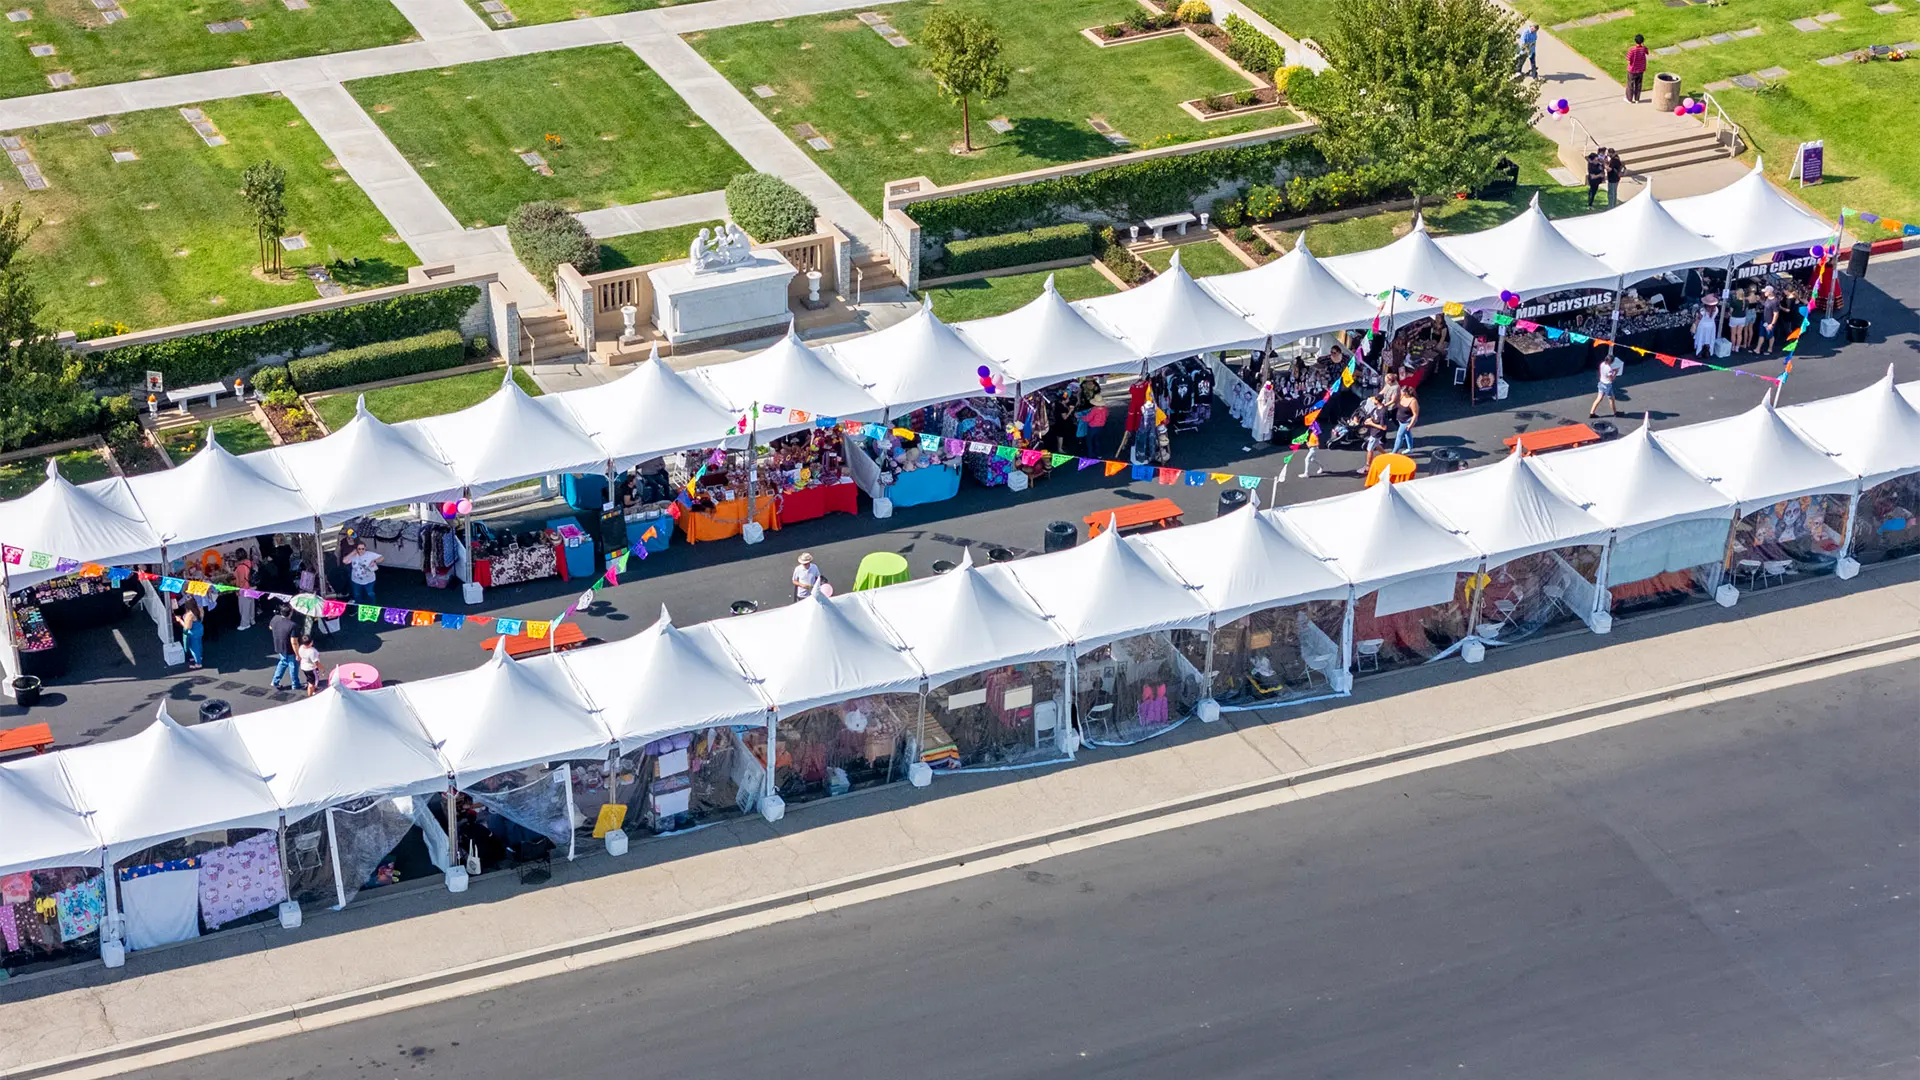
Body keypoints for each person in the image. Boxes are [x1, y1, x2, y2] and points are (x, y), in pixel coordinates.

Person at [269, 604, 303, 691]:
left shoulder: (275, 618)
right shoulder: (293, 626)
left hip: (279, 646)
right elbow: (294, 642)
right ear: (290, 613)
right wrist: (298, 654)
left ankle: (275, 681)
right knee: (293, 665)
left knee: (283, 662)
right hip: (289, 649)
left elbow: (271, 627)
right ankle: (295, 684)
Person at [344, 540, 383, 605]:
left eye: (363, 549)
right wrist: (353, 552)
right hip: (356, 581)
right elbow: (345, 561)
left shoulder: (370, 554)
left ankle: (372, 607)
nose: (361, 550)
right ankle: (358, 606)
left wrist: (375, 561)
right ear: (356, 549)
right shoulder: (353, 555)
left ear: (365, 548)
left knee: (370, 594)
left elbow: (381, 557)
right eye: (359, 549)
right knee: (357, 594)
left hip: (369, 580)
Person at [175, 598, 204, 670]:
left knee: (194, 648)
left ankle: (198, 663)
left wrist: (179, 620)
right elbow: (201, 619)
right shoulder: (200, 608)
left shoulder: (190, 615)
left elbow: (187, 627)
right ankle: (199, 656)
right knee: (199, 644)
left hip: (193, 633)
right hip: (199, 629)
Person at [232, 547, 256, 631]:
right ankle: (252, 620)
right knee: (251, 605)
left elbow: (241, 580)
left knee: (244, 607)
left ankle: (245, 624)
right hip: (252, 586)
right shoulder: (249, 562)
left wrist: (238, 589)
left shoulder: (240, 567)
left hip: (244, 589)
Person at [1391, 386, 1420, 455]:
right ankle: (1410, 448)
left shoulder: (1413, 401)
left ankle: (1394, 453)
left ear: (1406, 392)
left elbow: (1415, 414)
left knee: (1399, 436)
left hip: (1407, 421)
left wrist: (1410, 425)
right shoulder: (1402, 397)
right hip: (1400, 420)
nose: (1400, 393)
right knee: (1407, 434)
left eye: (1401, 392)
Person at [1755, 285, 1781, 354]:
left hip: (1770, 322)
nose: (1764, 293)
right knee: (1761, 334)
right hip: (1764, 320)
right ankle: (1757, 349)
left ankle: (1770, 349)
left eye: (1765, 292)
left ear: (1769, 292)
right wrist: (1760, 300)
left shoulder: (1775, 301)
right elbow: (1766, 305)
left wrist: (1772, 324)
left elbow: (1776, 314)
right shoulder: (1768, 299)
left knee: (1770, 336)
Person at [1726, 286, 1752, 353]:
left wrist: (1727, 314)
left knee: (1733, 334)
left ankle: (1733, 347)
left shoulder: (1734, 302)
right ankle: (1737, 348)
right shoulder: (1746, 302)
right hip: (1742, 318)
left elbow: (1731, 311)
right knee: (1739, 334)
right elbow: (1746, 310)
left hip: (1734, 318)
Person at [1625, 34, 1649, 103]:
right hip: (1641, 70)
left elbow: (1628, 59)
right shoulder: (1643, 49)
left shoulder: (1632, 50)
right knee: (1638, 84)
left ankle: (1629, 99)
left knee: (1630, 84)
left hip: (1632, 70)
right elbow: (1647, 52)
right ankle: (1637, 99)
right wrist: (1643, 45)